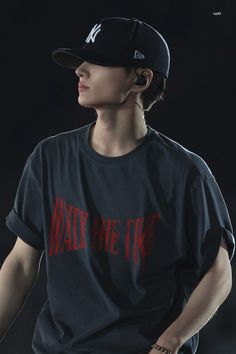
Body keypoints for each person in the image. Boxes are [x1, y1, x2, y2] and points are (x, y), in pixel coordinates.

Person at [0, 16, 235, 354]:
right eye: (82, 61)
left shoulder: (184, 173)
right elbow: (21, 265)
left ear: (141, 78)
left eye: (99, 61)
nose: (81, 70)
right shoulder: (49, 158)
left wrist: (171, 341)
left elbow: (219, 271)